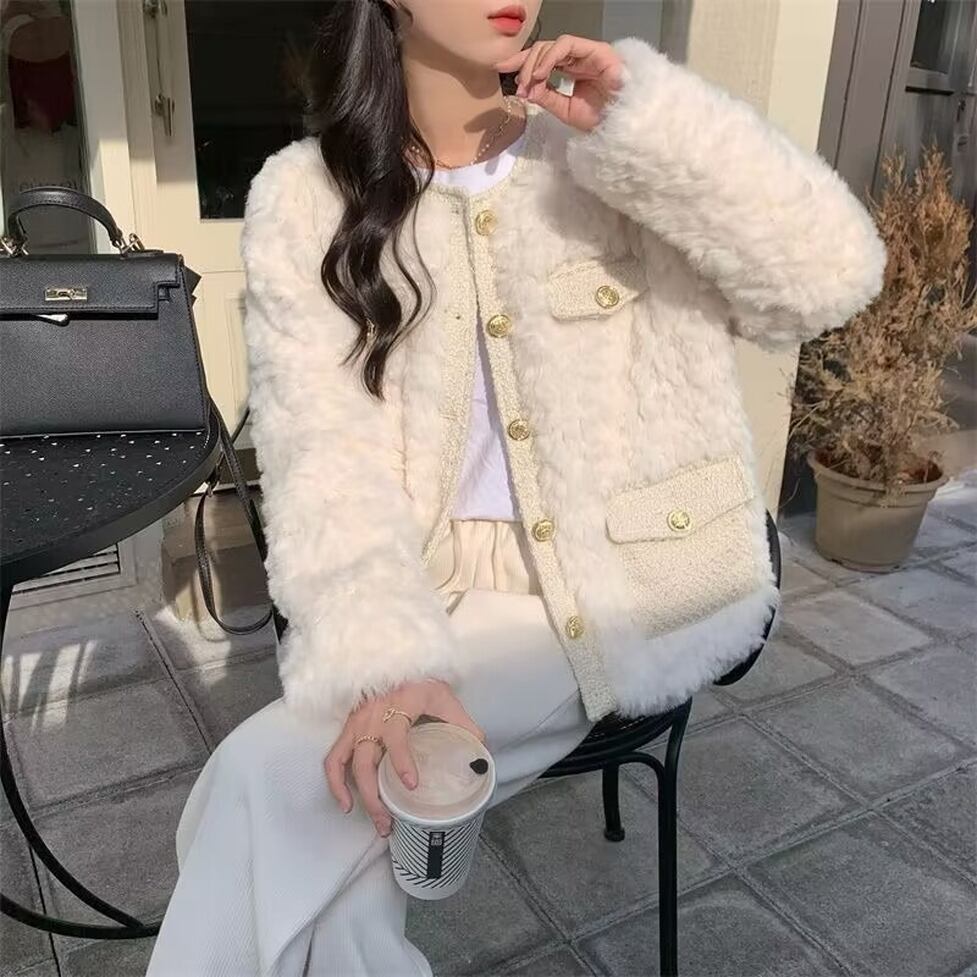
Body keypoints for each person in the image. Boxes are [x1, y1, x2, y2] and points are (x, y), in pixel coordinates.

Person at [145, 2, 887, 974]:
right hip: (421, 589)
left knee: (269, 780)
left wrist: (649, 121)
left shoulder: (606, 148)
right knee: (328, 835)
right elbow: (321, 455)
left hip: (614, 588)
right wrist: (386, 658)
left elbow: (828, 277)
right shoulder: (306, 197)